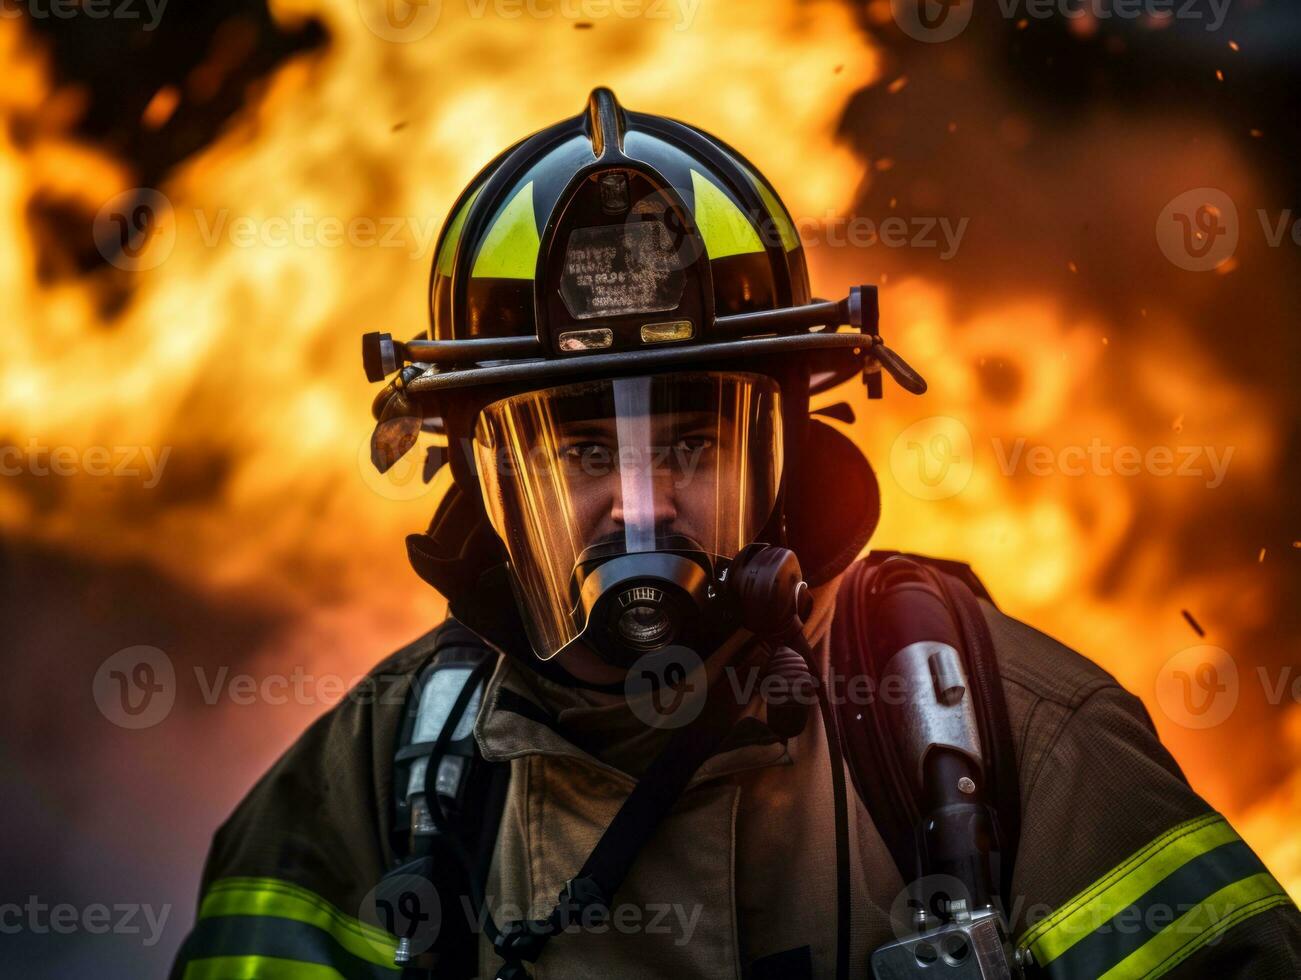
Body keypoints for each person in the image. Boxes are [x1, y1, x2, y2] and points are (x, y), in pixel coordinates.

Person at [170, 89, 1300, 980]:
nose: (641, 504)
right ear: (474, 471)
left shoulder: (987, 730)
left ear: (783, 447)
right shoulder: (382, 778)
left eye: (693, 443)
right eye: (578, 451)